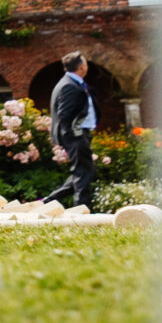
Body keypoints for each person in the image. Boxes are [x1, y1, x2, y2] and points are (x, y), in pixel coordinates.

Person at [45, 50, 100, 210]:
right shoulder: (69, 85)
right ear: (82, 67)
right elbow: (64, 116)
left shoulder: (73, 83)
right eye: (86, 64)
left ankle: (49, 201)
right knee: (83, 173)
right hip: (76, 136)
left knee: (83, 171)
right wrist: (76, 137)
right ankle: (81, 212)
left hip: (79, 134)